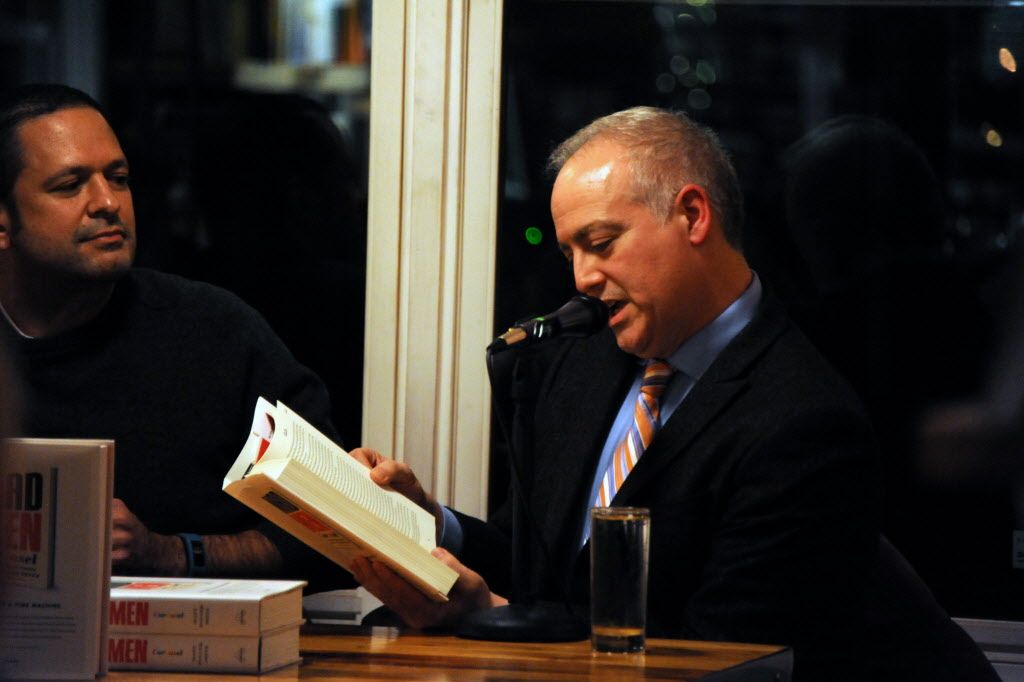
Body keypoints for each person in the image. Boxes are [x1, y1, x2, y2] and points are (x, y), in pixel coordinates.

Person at [348, 107, 997, 680]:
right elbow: (542, 568)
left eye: (600, 243)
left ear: (692, 215)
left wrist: (486, 615)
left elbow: (722, 660)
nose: (583, 278)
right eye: (570, 254)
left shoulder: (806, 422)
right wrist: (431, 523)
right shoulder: (578, 365)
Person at [0, 83, 347, 587]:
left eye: (118, 178)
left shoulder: (214, 333)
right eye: (70, 185)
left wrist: (171, 554)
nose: (107, 202)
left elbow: (337, 532)